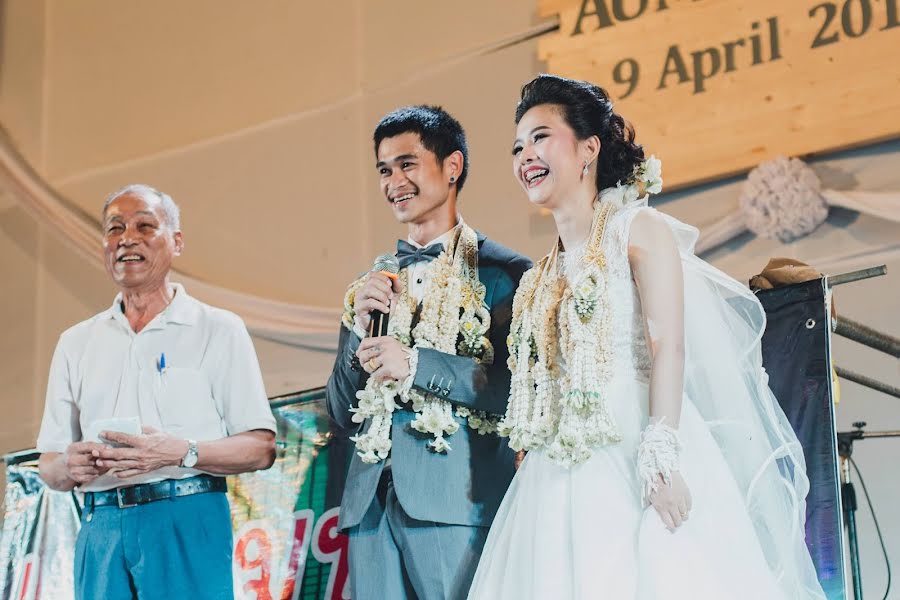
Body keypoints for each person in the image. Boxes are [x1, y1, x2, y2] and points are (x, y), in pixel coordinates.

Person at [468, 75, 826, 599]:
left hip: (634, 445)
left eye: (541, 137)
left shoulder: (637, 232)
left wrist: (661, 456)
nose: (526, 155)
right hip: (555, 471)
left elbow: (670, 349)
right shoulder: (538, 277)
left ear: (588, 148)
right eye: (518, 146)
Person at [325, 105, 532, 600]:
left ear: (452, 166)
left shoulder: (506, 273)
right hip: (369, 507)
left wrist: (415, 365)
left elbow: (515, 390)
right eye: (383, 170)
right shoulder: (370, 285)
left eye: (407, 164)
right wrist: (359, 335)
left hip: (457, 501)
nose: (393, 180)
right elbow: (338, 411)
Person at [36, 184, 277, 600]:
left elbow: (260, 449)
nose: (127, 238)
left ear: (176, 242)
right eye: (115, 229)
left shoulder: (218, 328)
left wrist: (178, 450)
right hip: (101, 526)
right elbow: (49, 466)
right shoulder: (74, 342)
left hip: (186, 515)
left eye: (145, 226)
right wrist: (70, 466)